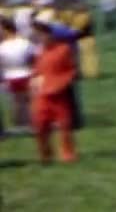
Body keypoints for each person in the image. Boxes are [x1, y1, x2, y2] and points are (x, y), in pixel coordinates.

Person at [30, 14, 78, 164]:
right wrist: (33, 81)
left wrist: (61, 84)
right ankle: (45, 155)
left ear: (50, 34)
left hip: (58, 94)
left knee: (64, 125)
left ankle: (67, 154)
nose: (40, 38)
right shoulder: (40, 53)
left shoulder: (63, 49)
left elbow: (71, 70)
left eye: (42, 34)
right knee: (39, 125)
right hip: (42, 95)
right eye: (38, 35)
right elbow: (37, 71)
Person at [0, 18, 35, 132]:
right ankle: (27, 123)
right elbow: (33, 58)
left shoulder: (4, 46)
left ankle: (22, 123)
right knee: (24, 101)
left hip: (13, 75)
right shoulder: (24, 43)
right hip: (22, 73)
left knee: (18, 101)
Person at [71, 1, 99, 79]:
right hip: (85, 39)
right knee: (86, 58)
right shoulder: (83, 16)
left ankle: (91, 74)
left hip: (85, 39)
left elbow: (77, 28)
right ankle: (89, 73)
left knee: (88, 57)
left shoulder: (83, 16)